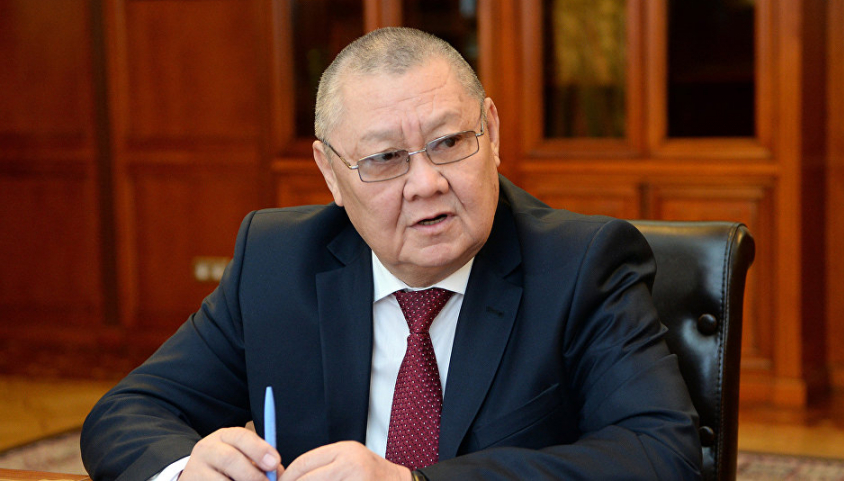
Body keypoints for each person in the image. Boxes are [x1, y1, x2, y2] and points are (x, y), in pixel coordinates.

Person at [81, 27, 701, 480]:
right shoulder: (277, 262)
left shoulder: (582, 264)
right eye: (384, 158)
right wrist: (188, 469)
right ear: (330, 172)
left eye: (449, 142)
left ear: (492, 133)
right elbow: (129, 412)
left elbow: (660, 452)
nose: (426, 183)